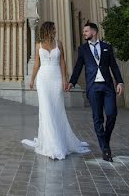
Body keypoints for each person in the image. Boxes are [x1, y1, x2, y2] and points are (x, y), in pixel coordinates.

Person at [22, 21, 90, 159]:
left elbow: (62, 62)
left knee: (57, 109)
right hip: (43, 79)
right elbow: (36, 64)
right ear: (48, 30)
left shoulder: (59, 44)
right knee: (46, 110)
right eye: (53, 28)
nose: (55, 30)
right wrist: (32, 79)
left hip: (56, 79)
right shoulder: (38, 45)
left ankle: (60, 139)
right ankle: (51, 145)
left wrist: (65, 79)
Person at [68, 21, 124, 162]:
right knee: (98, 118)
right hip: (93, 87)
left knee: (112, 114)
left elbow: (114, 66)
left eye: (86, 31)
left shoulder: (107, 47)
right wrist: (71, 82)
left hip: (107, 86)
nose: (83, 33)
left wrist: (120, 82)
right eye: (83, 31)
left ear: (94, 32)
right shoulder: (83, 49)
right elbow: (78, 67)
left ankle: (105, 139)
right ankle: (105, 149)